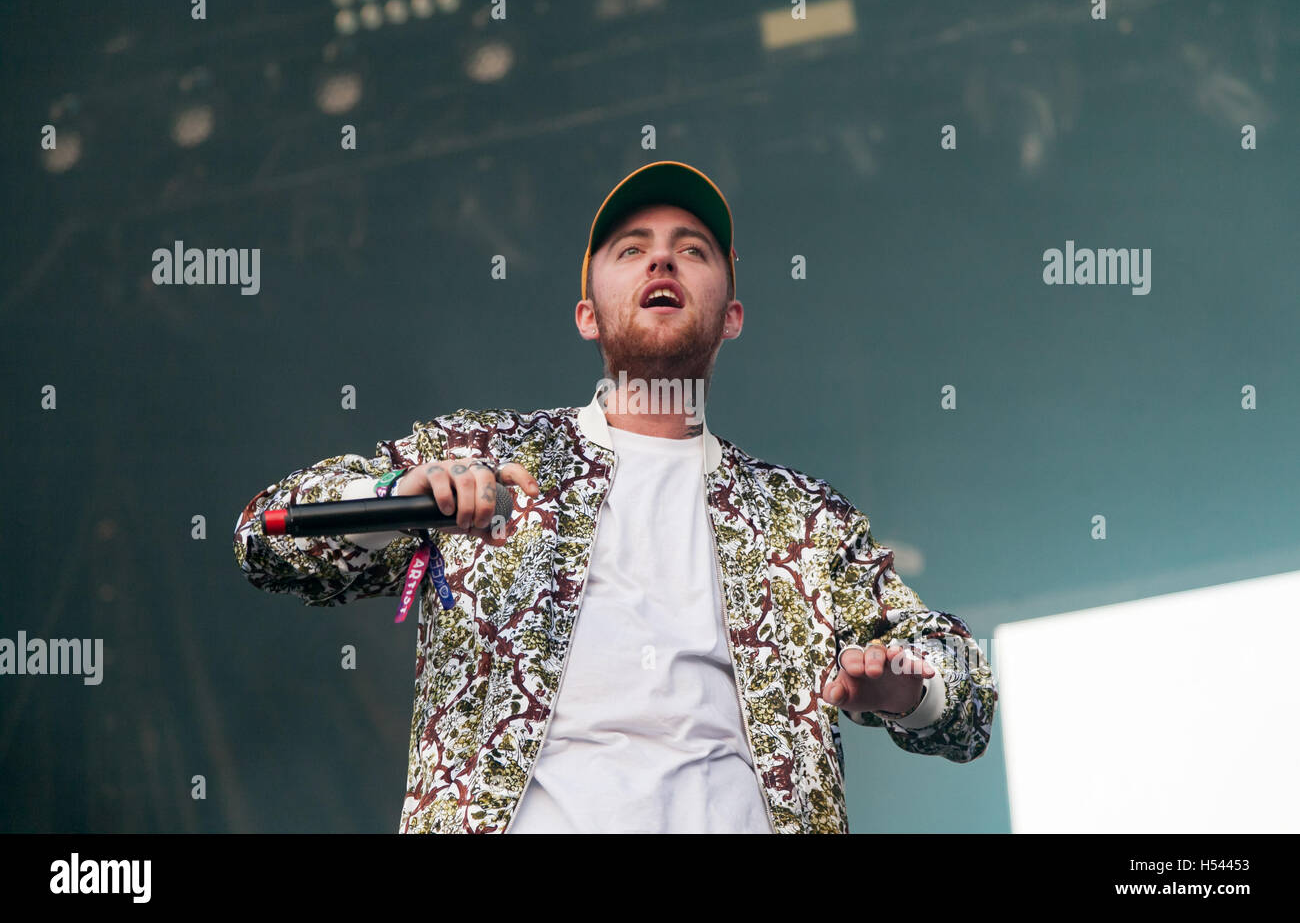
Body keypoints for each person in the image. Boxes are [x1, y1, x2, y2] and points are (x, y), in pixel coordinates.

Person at [233, 160, 998, 834]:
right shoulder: (487, 453)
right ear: (587, 315)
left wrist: (908, 686)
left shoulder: (800, 520)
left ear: (731, 316)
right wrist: (398, 496)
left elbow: (968, 699)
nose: (662, 257)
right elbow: (264, 536)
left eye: (692, 250)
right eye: (631, 250)